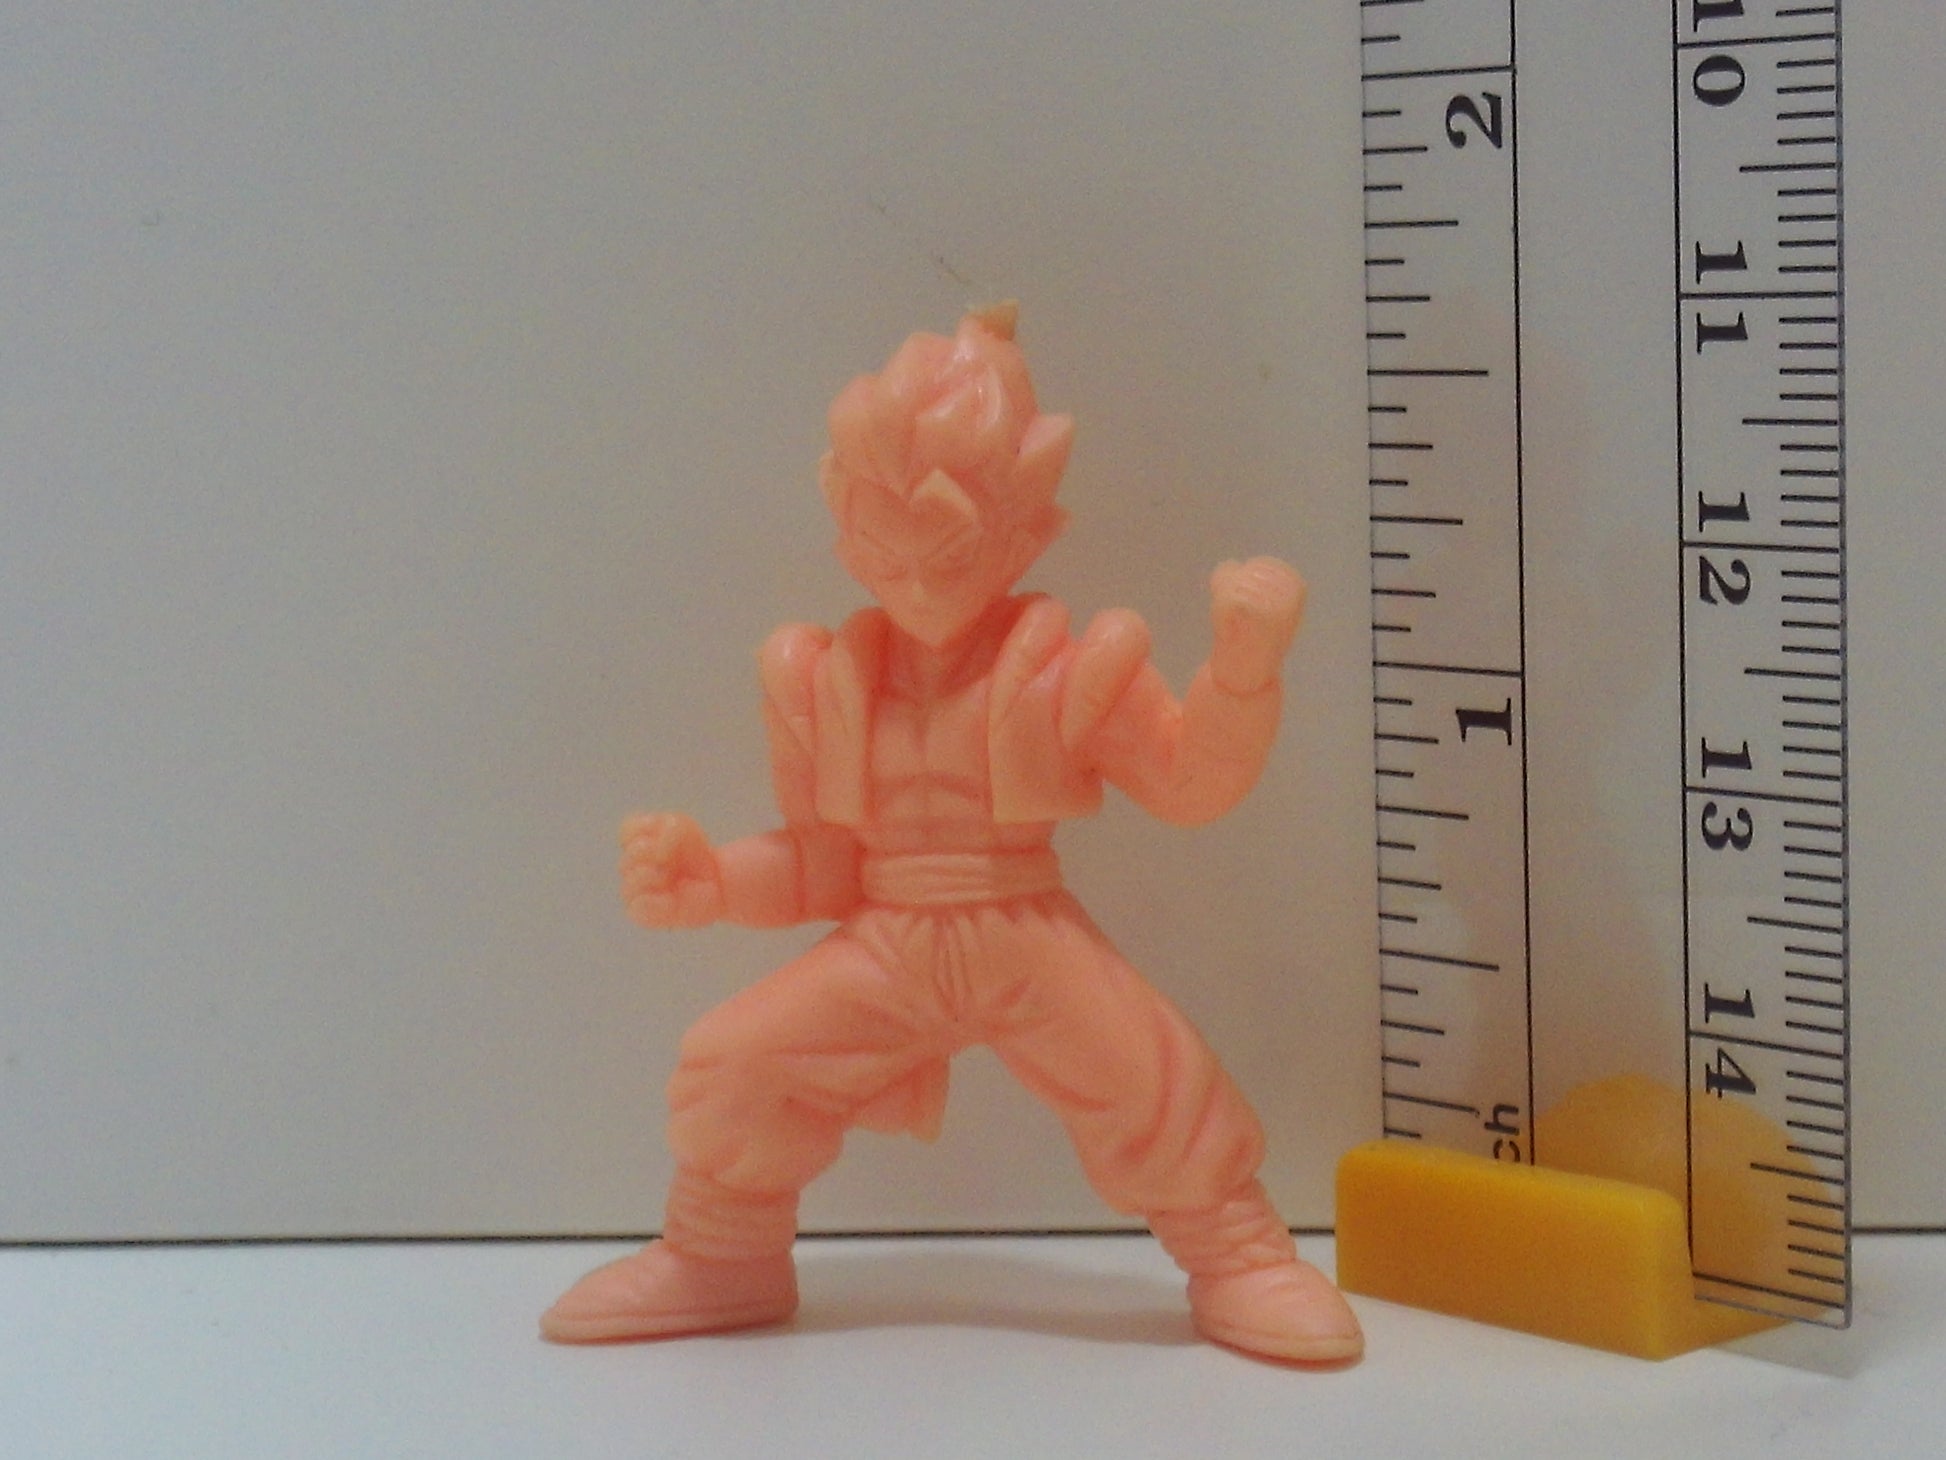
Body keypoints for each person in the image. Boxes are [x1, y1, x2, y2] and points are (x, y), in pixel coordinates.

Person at [542, 305, 1363, 1364]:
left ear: (1024, 535)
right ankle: (720, 1252)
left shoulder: (1071, 670)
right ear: (847, 531)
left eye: (953, 548)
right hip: (889, 940)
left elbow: (1188, 782)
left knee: (1153, 1078)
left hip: (1024, 927)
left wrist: (1241, 674)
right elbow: (822, 863)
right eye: (886, 549)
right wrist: (715, 879)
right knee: (735, 1059)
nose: (919, 581)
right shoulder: (825, 679)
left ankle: (1239, 1254)